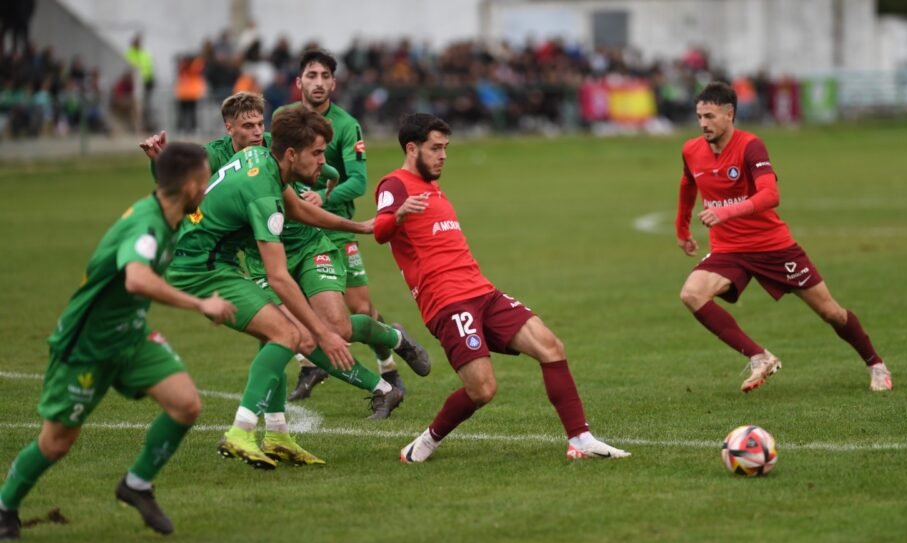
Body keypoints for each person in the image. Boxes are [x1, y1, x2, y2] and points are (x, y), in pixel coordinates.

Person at [0, 143, 237, 541]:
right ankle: (5, 507)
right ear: (193, 184)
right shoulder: (146, 225)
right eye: (206, 177)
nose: (209, 183)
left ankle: (137, 484)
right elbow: (137, 279)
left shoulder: (172, 210)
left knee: (186, 404)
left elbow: (175, 195)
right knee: (57, 443)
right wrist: (200, 304)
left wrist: (158, 163)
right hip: (86, 346)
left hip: (131, 336)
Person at [142, 92, 426, 421]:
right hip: (258, 256)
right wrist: (158, 162)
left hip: (306, 246)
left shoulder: (271, 151)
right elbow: (182, 191)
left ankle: (392, 341)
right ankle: (270, 427)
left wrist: (334, 188)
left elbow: (306, 197)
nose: (255, 132)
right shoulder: (223, 161)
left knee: (337, 328)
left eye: (259, 124)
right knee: (293, 335)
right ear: (228, 128)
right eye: (247, 125)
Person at [374, 113, 631, 463]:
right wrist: (399, 214)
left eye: (446, 148)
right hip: (448, 302)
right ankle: (425, 442)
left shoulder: (433, 186)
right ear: (411, 147)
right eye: (435, 148)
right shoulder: (394, 185)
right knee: (482, 389)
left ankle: (581, 439)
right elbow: (379, 231)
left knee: (551, 346)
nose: (443, 155)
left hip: (482, 291)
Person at [674, 82, 892, 393]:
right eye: (699, 117)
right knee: (691, 294)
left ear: (729, 114)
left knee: (830, 312)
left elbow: (770, 195)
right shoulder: (691, 150)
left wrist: (727, 212)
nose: (703, 124)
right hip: (729, 250)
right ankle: (759, 356)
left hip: (772, 247)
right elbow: (687, 185)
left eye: (709, 116)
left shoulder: (751, 146)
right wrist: (682, 229)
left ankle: (876, 364)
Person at [278, 49, 410, 403]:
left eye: (325, 76)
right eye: (311, 75)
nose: (318, 83)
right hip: (292, 232)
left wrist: (323, 197)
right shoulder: (282, 119)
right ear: (299, 82)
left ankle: (389, 366)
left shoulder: (347, 125)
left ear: (334, 83)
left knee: (360, 310)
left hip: (335, 230)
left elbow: (358, 182)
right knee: (294, 303)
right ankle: (309, 366)